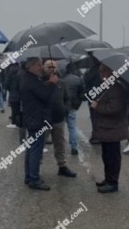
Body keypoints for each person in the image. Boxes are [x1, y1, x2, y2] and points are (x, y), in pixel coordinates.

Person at [20, 57, 57, 191]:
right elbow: (45, 96)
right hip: (36, 119)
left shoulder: (29, 79)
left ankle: (29, 176)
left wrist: (47, 83)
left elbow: (40, 92)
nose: (41, 67)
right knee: (36, 149)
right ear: (32, 66)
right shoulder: (31, 80)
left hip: (31, 118)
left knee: (31, 149)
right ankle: (34, 179)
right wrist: (52, 84)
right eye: (39, 65)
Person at [91, 64, 128, 193]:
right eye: (100, 71)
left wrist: (97, 107)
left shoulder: (116, 88)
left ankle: (113, 182)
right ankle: (108, 179)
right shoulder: (107, 87)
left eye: (103, 71)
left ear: (111, 72)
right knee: (106, 156)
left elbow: (114, 108)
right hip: (106, 129)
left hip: (113, 129)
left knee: (113, 157)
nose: (101, 74)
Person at [43, 60, 77, 178]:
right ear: (44, 68)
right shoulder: (41, 83)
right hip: (44, 121)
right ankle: (34, 169)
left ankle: (62, 166)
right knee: (39, 145)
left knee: (60, 144)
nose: (52, 69)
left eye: (53, 67)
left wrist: (65, 109)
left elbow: (67, 98)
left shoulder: (62, 83)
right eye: (49, 67)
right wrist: (49, 84)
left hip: (58, 119)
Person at [61, 62, 85, 155]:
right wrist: (78, 104)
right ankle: (74, 147)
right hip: (73, 106)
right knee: (72, 127)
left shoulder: (62, 79)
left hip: (62, 106)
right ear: (74, 70)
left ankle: (61, 147)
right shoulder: (78, 79)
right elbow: (82, 94)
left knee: (61, 128)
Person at [83, 59, 102, 144]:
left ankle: (96, 136)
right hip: (101, 95)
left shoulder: (93, 70)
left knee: (94, 117)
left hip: (93, 95)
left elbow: (86, 80)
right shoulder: (105, 69)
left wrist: (86, 74)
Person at [5, 63, 21, 129]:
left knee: (13, 109)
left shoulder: (10, 73)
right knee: (19, 109)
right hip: (20, 93)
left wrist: (10, 89)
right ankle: (19, 122)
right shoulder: (21, 72)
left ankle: (13, 123)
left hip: (13, 93)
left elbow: (6, 84)